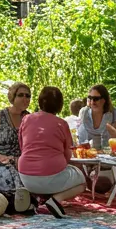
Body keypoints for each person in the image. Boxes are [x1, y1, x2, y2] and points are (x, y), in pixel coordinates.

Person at [17, 85, 87, 218]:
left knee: (50, 177)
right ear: (60, 105)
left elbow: (22, 145)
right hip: (51, 175)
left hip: (25, 175)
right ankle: (55, 200)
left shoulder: (26, 119)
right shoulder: (61, 123)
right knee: (82, 181)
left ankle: (35, 198)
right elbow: (68, 152)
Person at [0, 83, 31, 194]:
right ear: (12, 97)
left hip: (18, 163)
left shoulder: (29, 118)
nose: (25, 98)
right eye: (20, 95)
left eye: (28, 96)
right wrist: (1, 157)